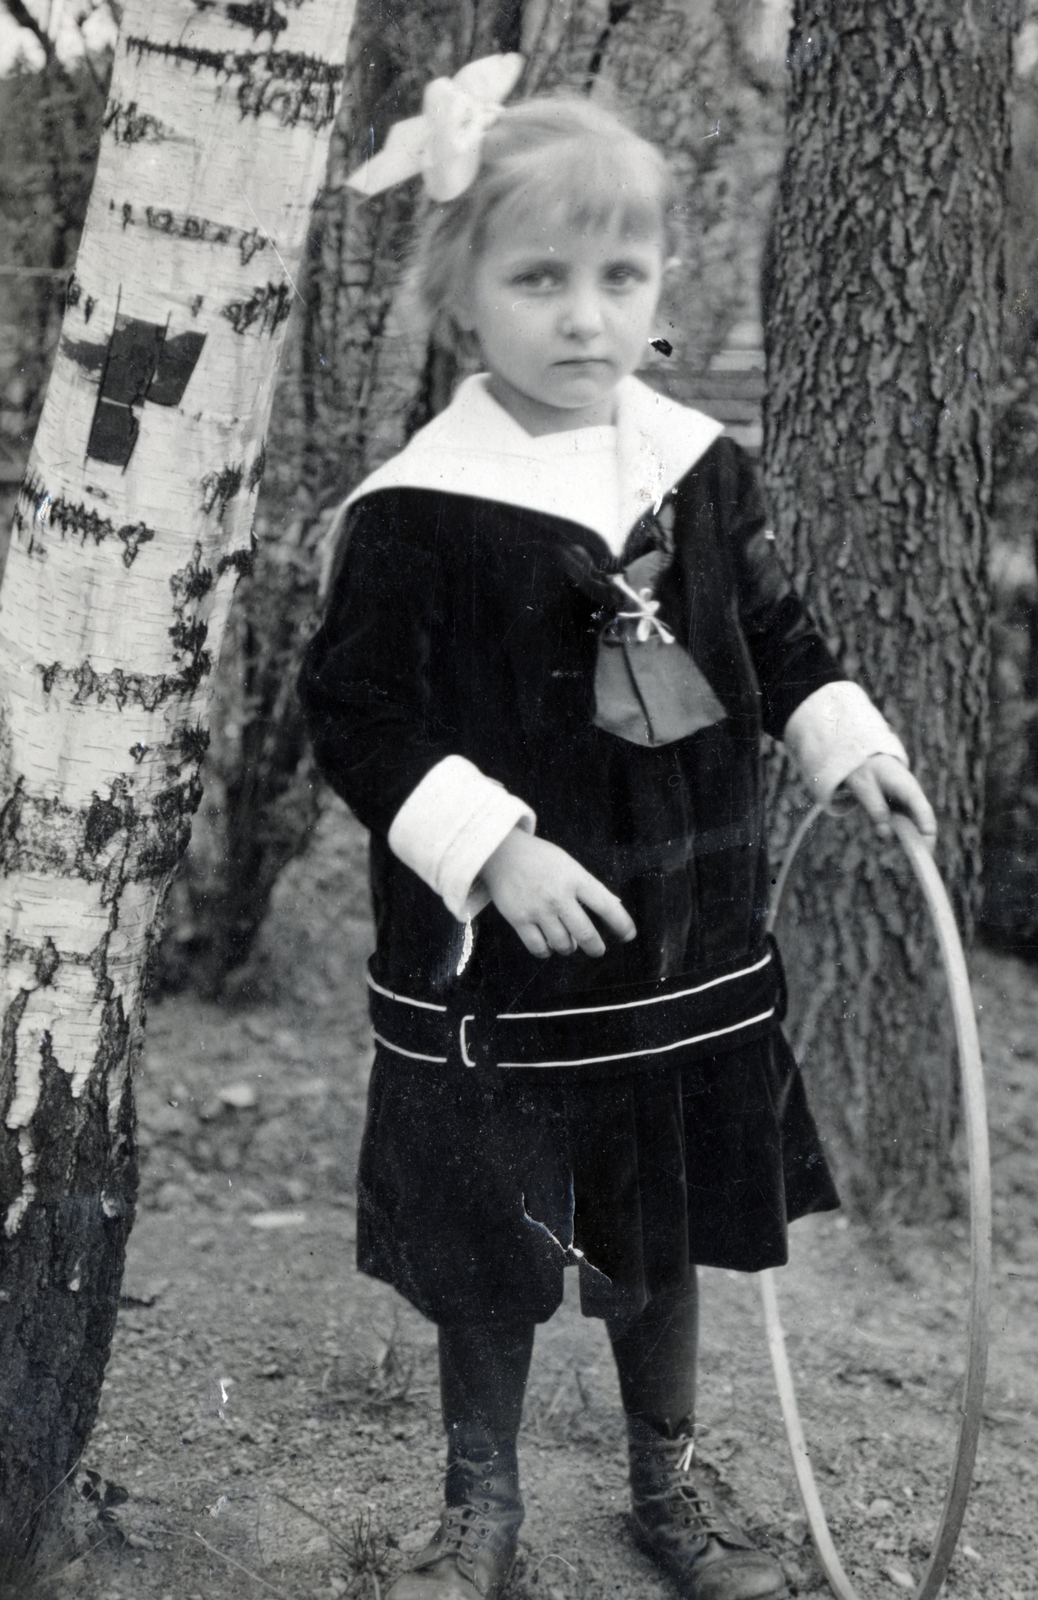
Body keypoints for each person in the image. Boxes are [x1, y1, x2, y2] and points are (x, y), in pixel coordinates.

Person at [300, 64, 936, 1600]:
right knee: (491, 1246)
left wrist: (842, 737)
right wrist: (492, 846)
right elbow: (360, 714)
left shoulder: (696, 468)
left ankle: (667, 1485)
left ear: (658, 286)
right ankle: (481, 1510)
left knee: (658, 1220)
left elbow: (771, 637)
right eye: (538, 279)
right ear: (460, 297)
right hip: (500, 975)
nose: (584, 317)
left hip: (681, 937)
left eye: (618, 278)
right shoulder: (418, 508)